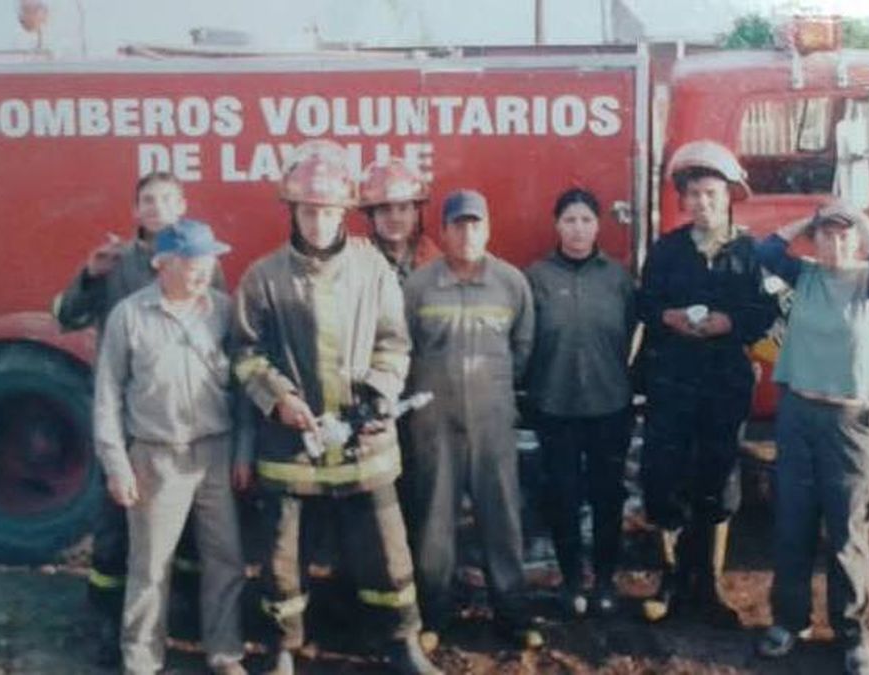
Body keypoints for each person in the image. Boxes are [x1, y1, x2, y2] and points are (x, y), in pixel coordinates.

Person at [232, 141, 440, 675]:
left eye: (328, 211)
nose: (319, 222)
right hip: (290, 442)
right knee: (283, 550)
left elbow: (395, 343)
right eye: (309, 211)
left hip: (363, 437)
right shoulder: (263, 277)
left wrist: (378, 391)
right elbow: (244, 353)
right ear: (293, 211)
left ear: (344, 212)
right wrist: (278, 400)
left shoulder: (373, 270)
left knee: (386, 547)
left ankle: (402, 641)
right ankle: (283, 645)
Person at [52, 172, 220, 664]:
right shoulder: (115, 262)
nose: (156, 206)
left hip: (187, 422)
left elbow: (221, 328)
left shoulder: (204, 258)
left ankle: (182, 616)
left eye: (166, 198)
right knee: (116, 529)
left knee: (186, 532)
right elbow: (66, 316)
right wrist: (88, 273)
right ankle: (108, 619)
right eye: (147, 199)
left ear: (183, 204)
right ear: (135, 211)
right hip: (129, 423)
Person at [92, 219, 246, 675]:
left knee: (226, 562)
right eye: (193, 262)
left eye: (209, 261)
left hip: (216, 454)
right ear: (164, 264)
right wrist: (117, 465)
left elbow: (243, 389)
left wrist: (243, 454)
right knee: (150, 568)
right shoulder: (129, 316)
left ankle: (225, 653)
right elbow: (107, 397)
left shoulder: (223, 310)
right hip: (156, 458)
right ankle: (141, 660)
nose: (204, 270)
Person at [754, 202, 869, 675]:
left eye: (843, 236)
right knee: (792, 526)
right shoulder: (807, 276)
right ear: (814, 240)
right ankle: (789, 622)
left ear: (856, 240)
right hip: (799, 415)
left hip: (852, 424)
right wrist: (811, 218)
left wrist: (862, 220)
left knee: (847, 534)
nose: (835, 245)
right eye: (826, 236)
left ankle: (854, 637)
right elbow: (766, 251)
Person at [638, 140, 778, 627]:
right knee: (665, 476)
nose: (702, 202)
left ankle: (711, 585)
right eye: (694, 194)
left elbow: (765, 314)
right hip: (672, 378)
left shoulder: (751, 252)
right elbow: (645, 304)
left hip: (724, 382)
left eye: (711, 193)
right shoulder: (667, 250)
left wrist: (729, 324)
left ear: (729, 196)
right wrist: (669, 316)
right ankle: (671, 577)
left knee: (720, 480)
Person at [403, 189, 541, 651]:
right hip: (433, 423)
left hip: (492, 419)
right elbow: (404, 349)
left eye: (475, 224)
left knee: (502, 517)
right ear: (442, 232)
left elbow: (523, 348)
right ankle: (433, 616)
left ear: (489, 228)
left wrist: (493, 393)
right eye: (458, 225)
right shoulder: (419, 286)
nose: (467, 233)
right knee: (433, 523)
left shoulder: (511, 283)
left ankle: (514, 615)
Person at [524, 188, 635, 618]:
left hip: (610, 405)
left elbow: (629, 329)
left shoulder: (618, 277)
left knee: (608, 497)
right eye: (569, 220)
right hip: (555, 407)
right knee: (563, 498)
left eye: (586, 220)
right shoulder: (535, 277)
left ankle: (605, 581)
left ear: (598, 225)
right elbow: (526, 339)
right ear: (557, 226)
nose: (578, 229)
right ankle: (572, 581)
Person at [359, 158, 442, 281]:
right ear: (372, 216)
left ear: (415, 214)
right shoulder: (357, 262)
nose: (394, 218)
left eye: (403, 208)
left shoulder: (435, 263)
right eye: (385, 209)